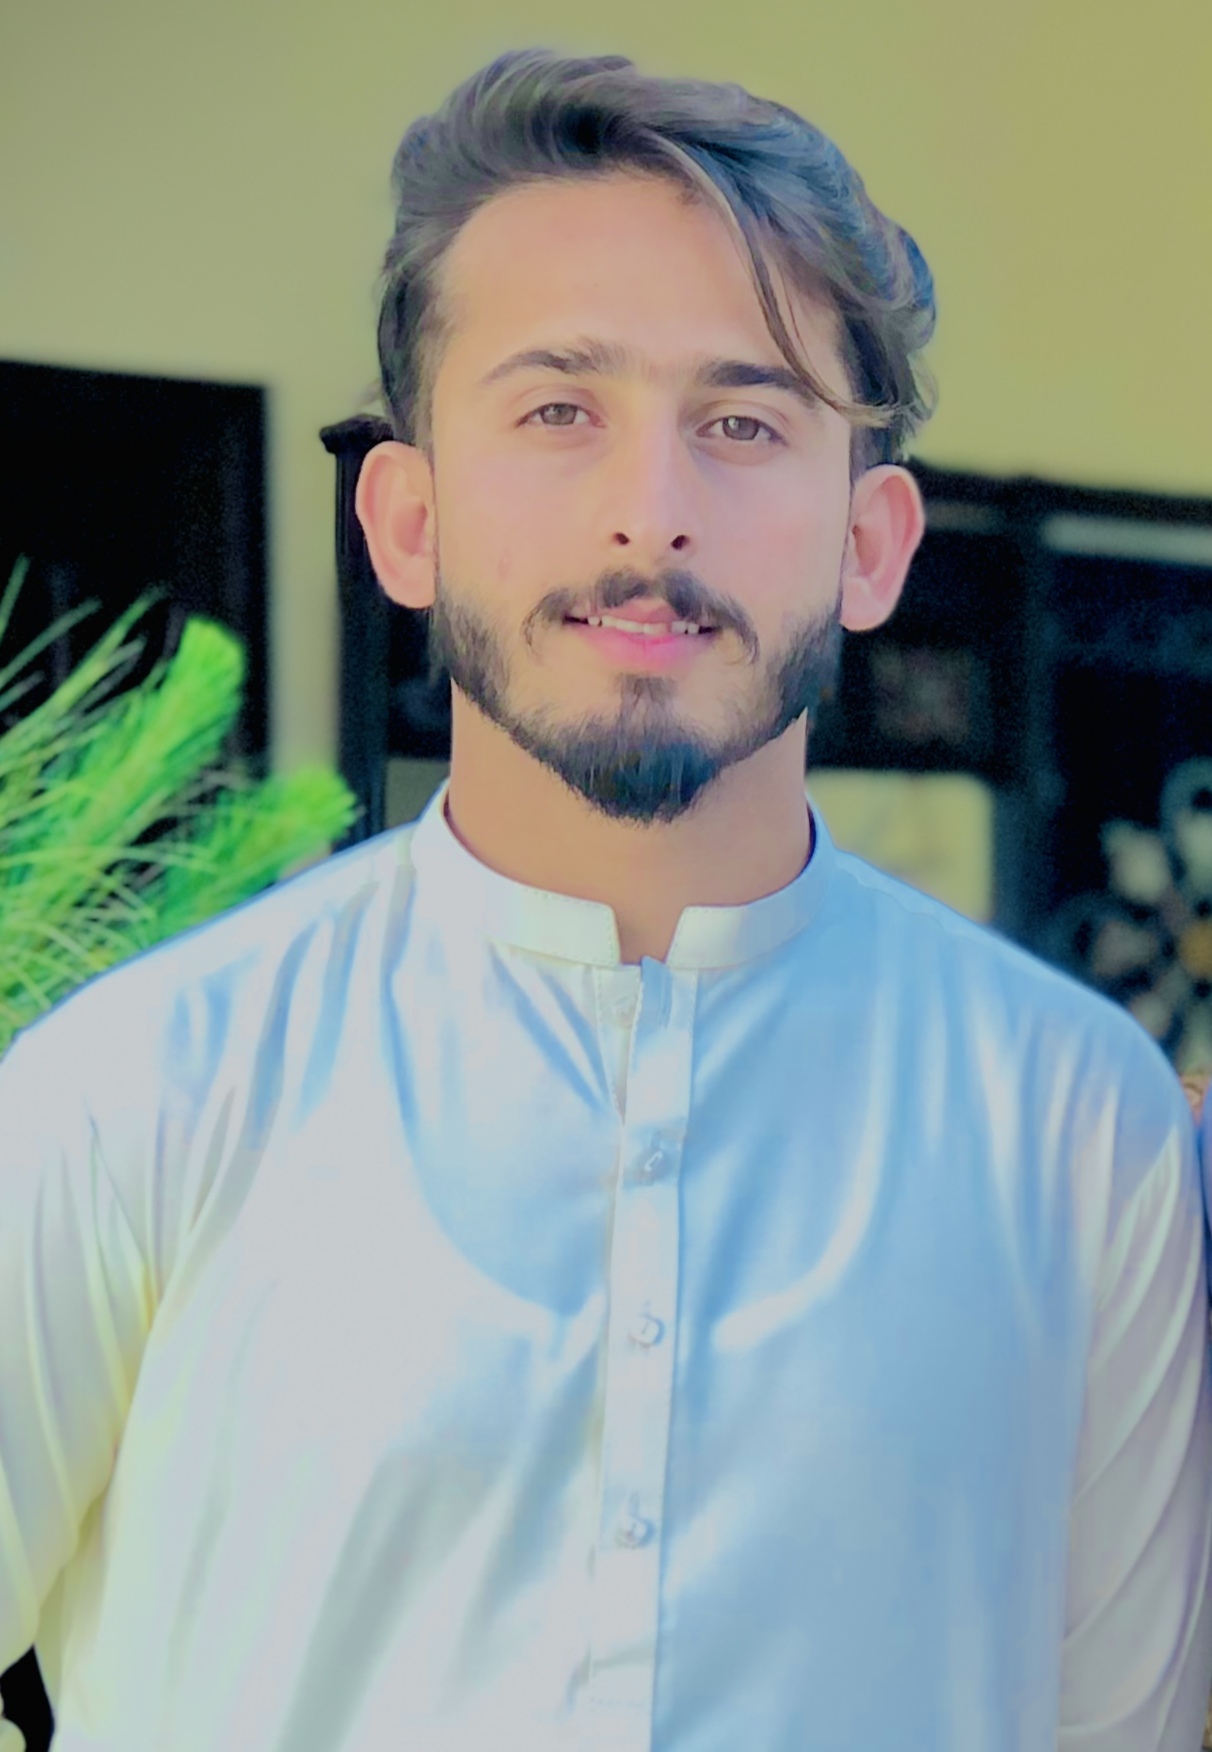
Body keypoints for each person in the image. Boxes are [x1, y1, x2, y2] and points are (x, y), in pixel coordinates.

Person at [1, 48, 1210, 1752]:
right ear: (407, 520)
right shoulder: (132, 1096)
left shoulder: (1081, 1129)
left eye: (743, 423)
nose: (652, 512)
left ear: (871, 545)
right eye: (558, 411)